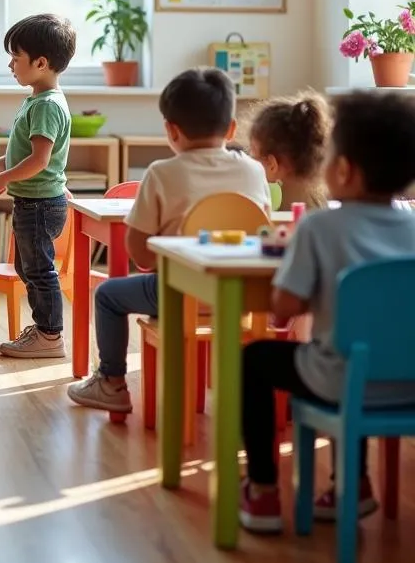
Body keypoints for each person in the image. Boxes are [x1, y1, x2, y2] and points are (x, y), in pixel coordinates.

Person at [239, 90, 415, 534]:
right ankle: (351, 486)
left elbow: (286, 306)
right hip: (409, 383)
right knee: (352, 350)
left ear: (344, 170)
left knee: (258, 360)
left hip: (342, 379)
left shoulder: (320, 227)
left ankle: (261, 491)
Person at [68, 67, 269, 411]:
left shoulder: (162, 173)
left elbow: (140, 255)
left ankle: (112, 383)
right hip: (243, 295)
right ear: (232, 128)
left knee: (107, 296)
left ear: (171, 130)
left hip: (179, 294)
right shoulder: (254, 170)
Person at [0, 13, 77, 358]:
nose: (10, 64)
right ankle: (45, 328)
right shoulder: (37, 100)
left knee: (38, 269)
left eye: (16, 57)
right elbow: (25, 154)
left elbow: (39, 162)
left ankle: (49, 336)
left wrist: (3, 178)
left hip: (39, 204)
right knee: (28, 267)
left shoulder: (47, 105)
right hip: (33, 202)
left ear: (41, 62)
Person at [245, 91, 330, 210]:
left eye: (252, 152)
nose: (249, 158)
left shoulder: (262, 203)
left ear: (271, 164)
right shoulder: (322, 202)